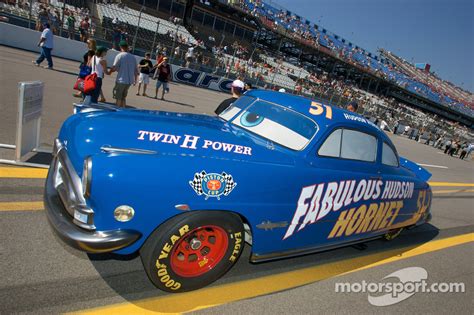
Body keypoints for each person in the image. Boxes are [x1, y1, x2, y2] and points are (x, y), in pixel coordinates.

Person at [111, 41, 138, 107]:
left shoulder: (120, 55)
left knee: (118, 97)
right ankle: (123, 110)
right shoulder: (133, 57)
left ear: (120, 47)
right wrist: (135, 80)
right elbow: (136, 71)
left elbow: (114, 68)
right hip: (129, 81)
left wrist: (108, 71)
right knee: (123, 97)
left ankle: (117, 111)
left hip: (121, 80)